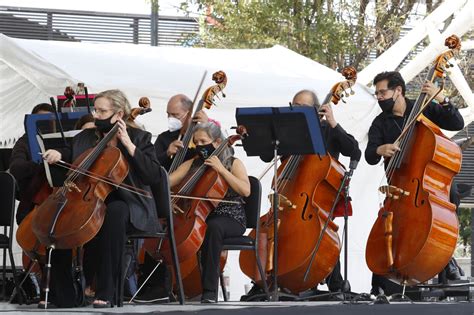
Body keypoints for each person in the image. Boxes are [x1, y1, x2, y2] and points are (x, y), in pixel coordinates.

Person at [41, 89, 161, 308]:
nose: (95, 115)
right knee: (61, 219)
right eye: (95, 110)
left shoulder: (139, 137)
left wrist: (128, 144)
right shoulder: (86, 136)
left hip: (129, 201)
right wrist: (58, 155)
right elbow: (72, 155)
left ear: (118, 114)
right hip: (90, 198)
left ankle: (107, 291)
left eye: (102, 111)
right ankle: (65, 294)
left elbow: (152, 174)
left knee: (114, 213)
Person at [243, 90, 360, 300]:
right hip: (289, 192)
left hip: (317, 197)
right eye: (293, 104)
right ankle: (262, 280)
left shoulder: (327, 129)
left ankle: (336, 283)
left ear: (316, 110)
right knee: (270, 231)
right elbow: (266, 155)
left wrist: (333, 122)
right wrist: (266, 137)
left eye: (302, 106)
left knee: (321, 234)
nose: (296, 109)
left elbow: (354, 150)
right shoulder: (287, 131)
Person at [364, 71, 464, 295]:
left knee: (452, 193)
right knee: (391, 225)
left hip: (427, 184)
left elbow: (456, 122)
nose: (379, 97)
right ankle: (381, 281)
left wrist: (441, 98)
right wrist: (381, 149)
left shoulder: (423, 108)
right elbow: (370, 155)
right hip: (399, 186)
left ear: (398, 90)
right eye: (377, 93)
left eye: (383, 92)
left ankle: (445, 259)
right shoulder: (380, 123)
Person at [169, 122, 250, 303]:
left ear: (217, 142)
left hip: (231, 216)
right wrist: (169, 199)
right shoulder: (194, 162)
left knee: (212, 228)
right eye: (196, 142)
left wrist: (221, 169)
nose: (199, 146)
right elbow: (168, 182)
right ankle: (166, 286)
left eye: (203, 141)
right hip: (200, 214)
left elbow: (245, 190)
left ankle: (209, 292)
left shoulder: (232, 163)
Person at [9, 103, 54, 224]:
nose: (44, 125)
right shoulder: (24, 142)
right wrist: (41, 165)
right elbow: (15, 167)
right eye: (40, 121)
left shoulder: (60, 140)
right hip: (32, 204)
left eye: (48, 121)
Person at [154, 94, 209, 171]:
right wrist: (166, 153)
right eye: (168, 114)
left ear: (189, 113)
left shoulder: (204, 134)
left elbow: (225, 153)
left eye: (175, 115)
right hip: (168, 181)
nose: (170, 118)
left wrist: (207, 128)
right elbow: (150, 166)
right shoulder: (163, 138)